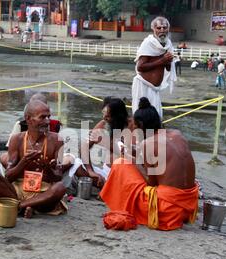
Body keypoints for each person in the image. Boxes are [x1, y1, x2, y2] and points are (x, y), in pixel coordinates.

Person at [99, 97, 199, 231]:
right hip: (189, 204)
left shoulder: (149, 144)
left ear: (141, 125)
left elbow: (151, 183)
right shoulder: (177, 134)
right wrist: (136, 152)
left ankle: (119, 203)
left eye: (135, 126)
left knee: (120, 163)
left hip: (167, 209)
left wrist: (129, 158)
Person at [0, 99, 68, 219]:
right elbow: (8, 177)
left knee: (60, 187)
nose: (47, 121)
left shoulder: (57, 140)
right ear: (28, 118)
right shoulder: (17, 139)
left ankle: (17, 207)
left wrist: (47, 168)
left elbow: (58, 177)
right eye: (42, 117)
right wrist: (23, 163)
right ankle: (25, 207)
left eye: (48, 117)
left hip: (43, 194)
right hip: (16, 191)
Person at [71, 97, 132, 188]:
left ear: (118, 116)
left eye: (108, 116)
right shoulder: (104, 124)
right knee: (75, 163)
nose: (104, 118)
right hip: (105, 172)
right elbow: (84, 147)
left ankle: (108, 187)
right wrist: (91, 171)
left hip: (123, 174)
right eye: (103, 114)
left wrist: (106, 142)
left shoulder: (131, 126)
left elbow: (129, 155)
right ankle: (102, 183)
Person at [131, 16, 176, 120]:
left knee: (156, 118)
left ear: (168, 29)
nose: (162, 30)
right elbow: (140, 67)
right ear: (153, 29)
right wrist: (162, 60)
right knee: (141, 119)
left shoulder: (168, 44)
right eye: (159, 28)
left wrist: (168, 60)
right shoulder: (148, 43)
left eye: (164, 28)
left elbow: (168, 69)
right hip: (143, 85)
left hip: (155, 89)